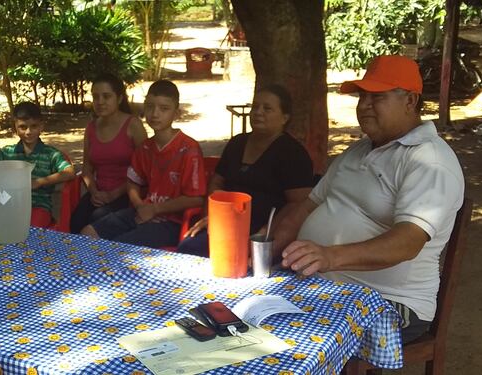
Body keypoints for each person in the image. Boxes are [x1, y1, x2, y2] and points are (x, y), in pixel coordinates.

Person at [275, 55, 465, 343]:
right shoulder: (357, 151)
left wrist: (329, 256)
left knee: (294, 338)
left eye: (377, 97)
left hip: (392, 302)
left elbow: (407, 242)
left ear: (410, 101)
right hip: (322, 284)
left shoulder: (429, 161)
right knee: (244, 314)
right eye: (362, 96)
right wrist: (263, 252)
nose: (364, 106)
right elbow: (305, 208)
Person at [177, 84, 314, 257]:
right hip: (223, 224)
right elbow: (217, 182)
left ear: (284, 117)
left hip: (262, 234)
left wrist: (269, 231)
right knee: (187, 249)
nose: (258, 112)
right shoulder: (237, 143)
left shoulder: (292, 153)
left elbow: (298, 204)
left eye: (267, 108)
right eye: (255, 107)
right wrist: (211, 216)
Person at [81, 80, 206, 248]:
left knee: (118, 247)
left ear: (176, 114)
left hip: (172, 221)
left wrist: (155, 209)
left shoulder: (189, 148)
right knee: (87, 233)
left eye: (164, 109)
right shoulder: (146, 147)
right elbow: (133, 182)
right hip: (141, 211)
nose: (155, 114)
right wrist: (140, 205)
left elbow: (196, 199)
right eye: (150, 107)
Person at [0, 101, 75, 228]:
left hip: (38, 206)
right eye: (23, 127)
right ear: (15, 127)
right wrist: (6, 178)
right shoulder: (6, 153)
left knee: (28, 231)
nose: (28, 132)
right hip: (7, 204)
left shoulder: (50, 154)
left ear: (41, 126)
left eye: (34, 126)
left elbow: (69, 172)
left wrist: (39, 182)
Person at [70, 73, 147, 233]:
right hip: (98, 193)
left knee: (97, 219)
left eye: (106, 96)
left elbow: (144, 170)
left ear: (119, 98)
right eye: (96, 97)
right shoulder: (91, 128)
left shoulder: (133, 125)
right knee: (76, 221)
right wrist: (94, 192)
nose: (100, 102)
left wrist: (113, 194)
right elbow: (87, 169)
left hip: (127, 193)